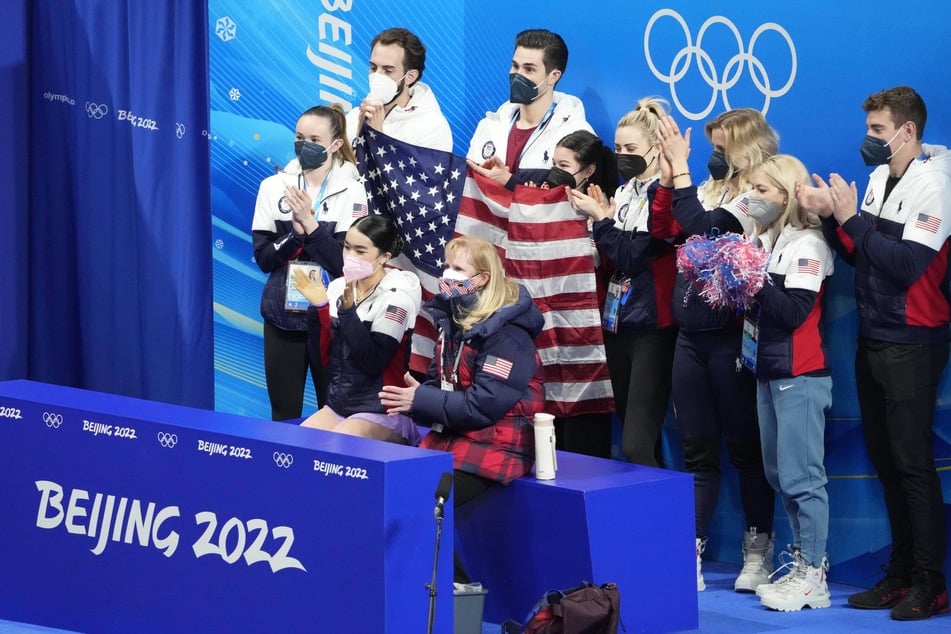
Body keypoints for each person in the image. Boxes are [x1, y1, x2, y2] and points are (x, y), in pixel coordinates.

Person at [798, 85, 951, 621]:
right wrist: (827, 216)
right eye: (868, 129)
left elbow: (907, 264)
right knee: (887, 462)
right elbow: (861, 254)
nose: (868, 139)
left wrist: (851, 219)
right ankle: (902, 573)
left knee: (912, 464)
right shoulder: (879, 178)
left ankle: (931, 582)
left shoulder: (937, 185)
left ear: (907, 131)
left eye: (877, 130)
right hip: (873, 336)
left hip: (914, 341)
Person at [655, 110, 777, 593]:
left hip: (730, 337)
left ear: (746, 148)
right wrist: (669, 176)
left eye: (722, 148)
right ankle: (692, 549)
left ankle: (757, 548)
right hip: (690, 338)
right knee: (697, 449)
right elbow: (668, 227)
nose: (713, 156)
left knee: (745, 449)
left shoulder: (761, 195)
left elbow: (706, 229)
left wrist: (681, 171)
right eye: (711, 146)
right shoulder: (706, 188)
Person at [379, 235, 545, 582]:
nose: (446, 274)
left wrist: (421, 400)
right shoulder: (452, 322)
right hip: (454, 438)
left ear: (482, 279)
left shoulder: (509, 336)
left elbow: (484, 405)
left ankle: (462, 596)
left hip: (497, 447)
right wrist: (419, 397)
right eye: (447, 265)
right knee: (390, 489)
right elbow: (445, 385)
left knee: (423, 504)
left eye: (457, 268)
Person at [738, 155, 835, 612]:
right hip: (768, 372)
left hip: (801, 373)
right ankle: (801, 564)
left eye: (762, 190)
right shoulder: (768, 239)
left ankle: (813, 575)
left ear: (786, 194)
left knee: (803, 478)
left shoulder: (808, 244)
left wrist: (751, 275)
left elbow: (794, 311)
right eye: (751, 188)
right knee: (781, 476)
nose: (752, 197)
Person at [567, 97, 678, 467]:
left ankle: (661, 523)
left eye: (631, 149)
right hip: (618, 323)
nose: (623, 155)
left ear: (656, 149)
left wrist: (601, 221)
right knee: (634, 441)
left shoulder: (668, 195)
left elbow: (635, 256)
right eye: (618, 148)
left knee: (636, 443)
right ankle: (653, 517)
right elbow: (616, 256)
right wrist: (603, 225)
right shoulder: (626, 191)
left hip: (653, 328)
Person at [251, 104, 368, 421]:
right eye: (300, 137)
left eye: (315, 139)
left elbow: (346, 265)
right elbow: (263, 258)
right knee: (283, 413)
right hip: (282, 319)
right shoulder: (273, 187)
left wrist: (311, 226)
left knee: (331, 414)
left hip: (331, 322)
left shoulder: (354, 193)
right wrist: (296, 236)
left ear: (335, 144)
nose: (305, 145)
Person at [293, 215, 422, 444]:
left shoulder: (397, 299)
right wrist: (318, 309)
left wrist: (347, 311)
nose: (350, 256)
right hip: (339, 405)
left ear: (384, 257)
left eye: (360, 251)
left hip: (383, 410)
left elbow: (372, 361)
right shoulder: (336, 287)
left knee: (338, 446)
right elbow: (321, 359)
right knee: (299, 446)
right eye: (347, 247)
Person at [466, 28, 593, 189]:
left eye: (529, 69)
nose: (517, 75)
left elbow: (568, 204)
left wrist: (510, 183)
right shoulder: (488, 126)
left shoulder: (575, 134)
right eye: (515, 66)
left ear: (553, 76)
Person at [346, 27, 452, 152]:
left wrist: (378, 137)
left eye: (388, 70)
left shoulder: (433, 127)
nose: (377, 76)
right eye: (374, 68)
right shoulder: (354, 116)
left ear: (410, 77)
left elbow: (421, 172)